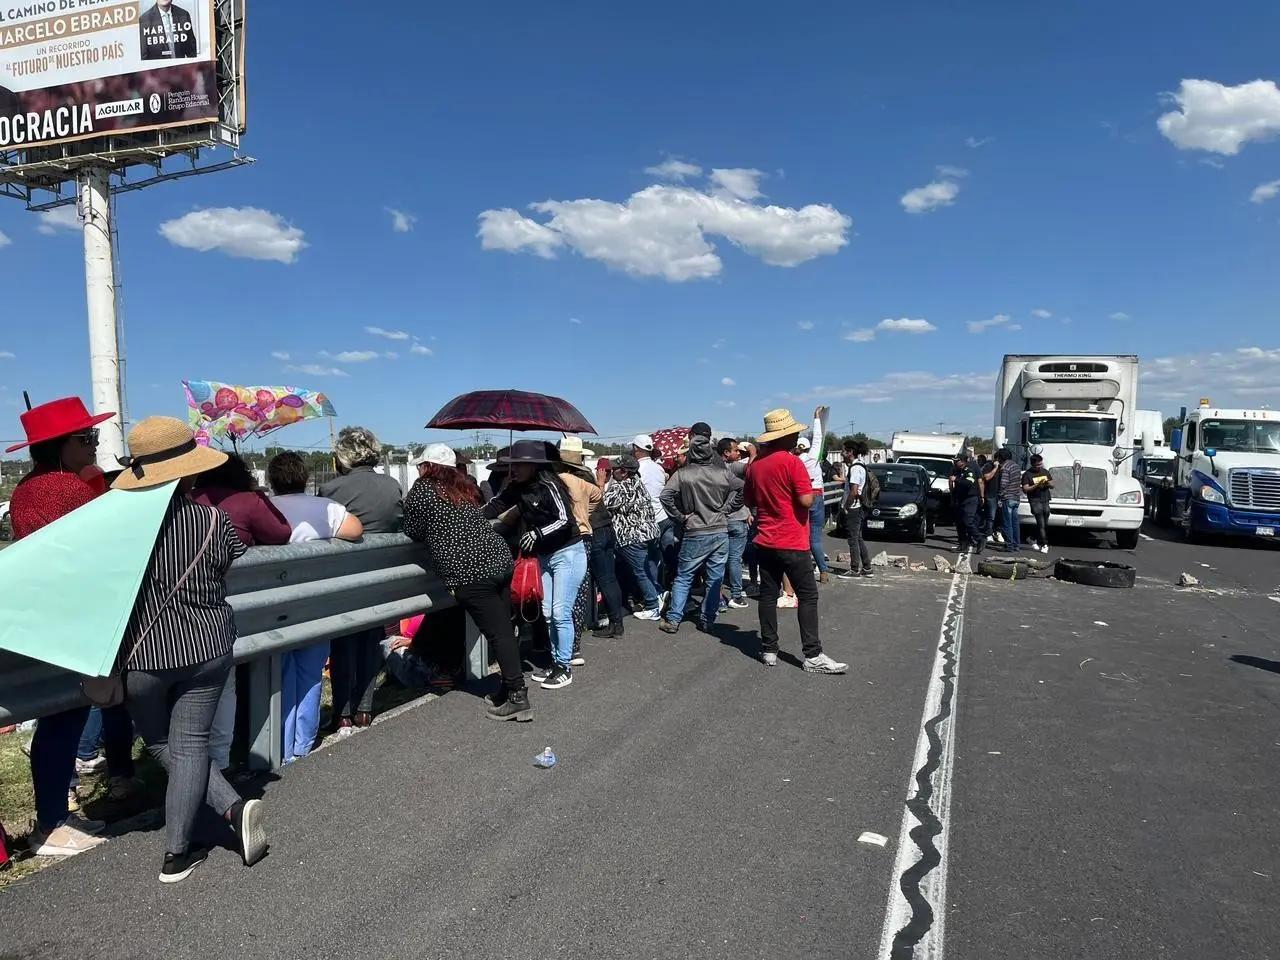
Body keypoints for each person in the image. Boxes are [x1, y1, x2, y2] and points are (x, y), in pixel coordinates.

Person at [112, 417, 267, 883]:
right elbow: (229, 559)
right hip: (208, 644)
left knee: (161, 741)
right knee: (192, 742)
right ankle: (203, 832)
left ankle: (209, 827)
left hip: (145, 653)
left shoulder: (119, 525)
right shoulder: (213, 521)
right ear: (191, 471)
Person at [6, 397, 117, 857]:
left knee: (62, 712)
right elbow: (109, 539)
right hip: (74, 615)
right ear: (58, 445)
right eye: (85, 437)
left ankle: (55, 810)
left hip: (44, 612)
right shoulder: (64, 490)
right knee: (66, 711)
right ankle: (52, 820)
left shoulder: (27, 489)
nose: (94, 443)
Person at [403, 443, 530, 720]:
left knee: (498, 634)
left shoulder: (423, 490)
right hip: (498, 559)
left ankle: (518, 695)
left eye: (420, 465)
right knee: (503, 631)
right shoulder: (465, 489)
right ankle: (507, 690)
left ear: (427, 466)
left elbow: (411, 529)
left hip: (470, 572)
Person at [191, 452, 293, 769]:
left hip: (182, 606)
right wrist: (260, 498)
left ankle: (191, 764)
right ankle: (219, 763)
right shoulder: (247, 501)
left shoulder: (187, 500)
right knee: (224, 685)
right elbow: (281, 533)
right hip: (231, 604)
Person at [267, 452, 364, 761]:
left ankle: (280, 746)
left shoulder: (265, 508)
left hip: (275, 605)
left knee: (281, 674)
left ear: (271, 480)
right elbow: (355, 530)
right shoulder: (326, 508)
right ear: (306, 478)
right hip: (316, 602)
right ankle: (303, 743)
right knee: (310, 671)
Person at [743, 410, 848, 674]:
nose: (797, 435)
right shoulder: (792, 463)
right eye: (794, 432)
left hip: (765, 538)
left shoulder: (756, 466)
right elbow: (804, 501)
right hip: (791, 538)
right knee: (808, 596)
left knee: (768, 596)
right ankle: (812, 655)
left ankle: (769, 649)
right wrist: (812, 492)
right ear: (785, 435)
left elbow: (750, 502)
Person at [484, 440, 586, 691]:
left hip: (569, 553)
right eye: (512, 464)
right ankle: (555, 663)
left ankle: (564, 667)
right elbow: (496, 506)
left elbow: (565, 520)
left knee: (561, 611)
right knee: (548, 612)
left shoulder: (549, 485)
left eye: (519, 464)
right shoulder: (516, 487)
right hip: (545, 556)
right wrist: (468, 517)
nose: (514, 469)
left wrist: (538, 534)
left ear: (534, 465)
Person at [320, 427, 403, 729]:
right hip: (381, 574)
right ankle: (365, 708)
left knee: (343, 642)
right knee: (371, 638)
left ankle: (341, 712)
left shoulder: (332, 489)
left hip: (346, 574)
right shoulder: (392, 485)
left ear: (343, 456)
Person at [658, 424, 743, 634]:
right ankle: (708, 619)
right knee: (715, 578)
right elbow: (742, 488)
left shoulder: (683, 474)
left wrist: (679, 516)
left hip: (695, 530)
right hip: (720, 529)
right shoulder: (722, 472)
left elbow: (665, 496)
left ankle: (674, 619)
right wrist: (728, 508)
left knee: (684, 576)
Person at [561, 436, 625, 640]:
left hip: (593, 530)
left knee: (601, 578)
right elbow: (597, 497)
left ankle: (612, 623)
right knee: (609, 577)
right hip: (606, 525)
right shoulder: (586, 474)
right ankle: (617, 622)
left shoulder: (568, 479)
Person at [603, 455, 664, 620]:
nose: (611, 471)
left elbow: (602, 504)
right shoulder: (638, 484)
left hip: (632, 537)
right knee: (647, 569)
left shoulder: (620, 488)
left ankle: (652, 605)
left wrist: (601, 482)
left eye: (614, 469)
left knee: (640, 572)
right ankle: (658, 595)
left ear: (624, 472)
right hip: (650, 533)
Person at [190, 454, 292, 548]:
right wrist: (259, 494)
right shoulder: (248, 500)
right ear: (241, 475)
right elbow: (282, 533)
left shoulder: (188, 497)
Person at [632, 434, 677, 593]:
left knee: (650, 559)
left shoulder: (637, 470)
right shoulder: (658, 467)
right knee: (669, 555)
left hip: (650, 519)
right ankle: (675, 589)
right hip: (664, 516)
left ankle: (656, 593)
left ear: (637, 449)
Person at [795, 407, 831, 582]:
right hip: (817, 497)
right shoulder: (813, 458)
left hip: (801, 498)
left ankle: (801, 570)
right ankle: (823, 571)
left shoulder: (793, 461)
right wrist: (816, 418)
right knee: (815, 538)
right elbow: (818, 438)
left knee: (800, 536)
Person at [717, 437, 751, 610]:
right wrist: (752, 452)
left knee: (719, 560)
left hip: (721, 520)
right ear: (726, 453)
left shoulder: (714, 469)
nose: (739, 453)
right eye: (736, 450)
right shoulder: (735, 467)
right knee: (735, 559)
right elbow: (753, 470)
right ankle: (736, 595)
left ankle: (718, 596)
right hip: (736, 518)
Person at [838, 439, 874, 580]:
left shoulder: (855, 468)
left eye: (843, 450)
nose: (842, 453)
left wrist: (846, 506)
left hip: (854, 507)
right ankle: (867, 567)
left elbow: (853, 491)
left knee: (852, 539)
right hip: (858, 506)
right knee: (858, 537)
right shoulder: (860, 466)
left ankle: (854, 569)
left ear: (850, 452)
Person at [949, 452, 985, 553]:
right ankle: (962, 544)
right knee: (959, 523)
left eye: (957, 461)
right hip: (960, 499)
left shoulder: (969, 471)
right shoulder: (957, 471)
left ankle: (980, 539)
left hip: (970, 499)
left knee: (968, 521)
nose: (955, 462)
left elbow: (968, 483)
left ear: (963, 462)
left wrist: (956, 479)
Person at [1022, 453, 1054, 553]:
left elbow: (1052, 485)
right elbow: (1026, 488)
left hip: (1045, 499)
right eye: (1037, 465)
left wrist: (1048, 483)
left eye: (1041, 464)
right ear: (1032, 464)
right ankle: (1044, 543)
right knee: (1041, 522)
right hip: (1035, 500)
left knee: (1045, 523)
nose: (1039, 466)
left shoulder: (1045, 472)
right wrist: (1036, 485)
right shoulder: (1027, 474)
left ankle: (1032, 537)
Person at [995, 448, 1023, 553]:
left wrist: (1000, 497)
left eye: (998, 457)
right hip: (1016, 497)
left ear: (1001, 457)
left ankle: (1009, 545)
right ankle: (1016, 545)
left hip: (1008, 497)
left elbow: (1003, 484)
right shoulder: (1016, 466)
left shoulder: (1005, 467)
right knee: (1015, 523)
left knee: (1007, 523)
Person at [980, 454, 1002, 543]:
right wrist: (995, 468)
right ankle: (989, 533)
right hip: (990, 494)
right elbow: (986, 477)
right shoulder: (989, 466)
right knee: (991, 516)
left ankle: (998, 533)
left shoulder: (1004, 467)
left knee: (1000, 516)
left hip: (1000, 495)